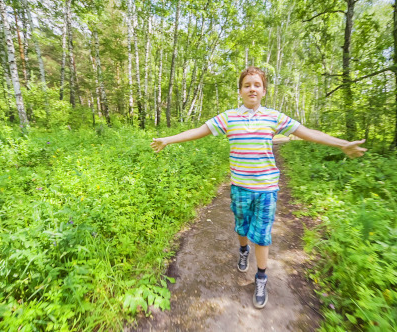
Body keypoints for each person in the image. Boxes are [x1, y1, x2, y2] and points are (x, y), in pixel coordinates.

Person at [151, 66, 366, 309]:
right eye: (247, 85)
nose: (252, 88)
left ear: (263, 91)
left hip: (266, 188)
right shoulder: (229, 118)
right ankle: (243, 250)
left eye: (257, 85)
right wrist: (167, 140)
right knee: (242, 226)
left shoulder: (273, 117)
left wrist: (342, 144)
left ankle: (261, 277)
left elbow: (308, 133)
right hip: (240, 187)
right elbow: (199, 131)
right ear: (240, 91)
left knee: (262, 235)